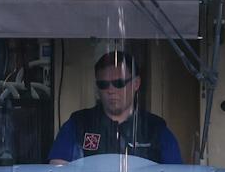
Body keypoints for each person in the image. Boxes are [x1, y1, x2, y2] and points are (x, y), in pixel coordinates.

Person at [49, 51, 183, 165]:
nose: (111, 90)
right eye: (103, 84)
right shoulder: (77, 124)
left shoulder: (155, 129)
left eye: (119, 83)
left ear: (136, 83)